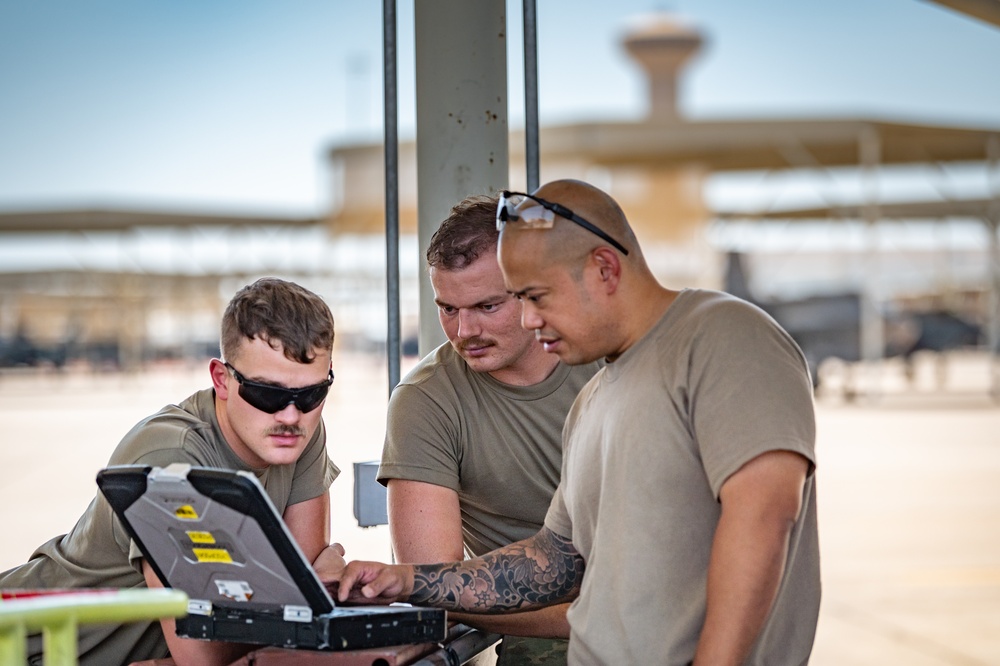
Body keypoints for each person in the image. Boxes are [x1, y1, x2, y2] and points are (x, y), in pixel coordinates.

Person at [329, 180, 820, 665]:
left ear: (604, 269)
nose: (529, 320)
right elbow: (552, 561)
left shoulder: (723, 338)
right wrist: (409, 582)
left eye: (537, 298)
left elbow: (764, 518)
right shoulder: (594, 400)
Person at [0, 277, 346, 666]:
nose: (290, 415)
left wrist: (302, 601)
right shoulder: (171, 455)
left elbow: (295, 607)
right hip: (25, 647)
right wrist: (311, 594)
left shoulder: (299, 430)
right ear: (222, 380)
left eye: (312, 394)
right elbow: (203, 653)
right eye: (268, 393)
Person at [378, 194, 601, 664]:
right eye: (448, 309)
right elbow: (436, 589)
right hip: (543, 634)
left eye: (487, 306)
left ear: (535, 288)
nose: (463, 331)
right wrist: (580, 617)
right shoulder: (426, 400)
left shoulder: (607, 361)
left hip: (658, 608)